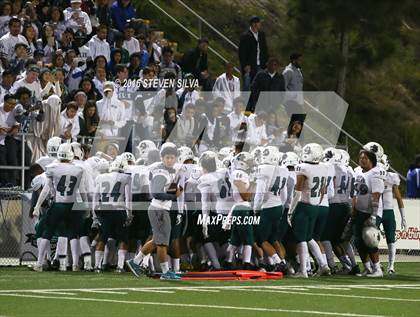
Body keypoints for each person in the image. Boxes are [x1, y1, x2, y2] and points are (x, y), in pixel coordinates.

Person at [126, 142, 183, 280]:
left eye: (172, 157)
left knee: (157, 240)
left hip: (161, 209)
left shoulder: (167, 171)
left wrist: (176, 186)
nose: (170, 160)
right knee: (162, 242)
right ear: (162, 158)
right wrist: (173, 196)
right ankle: (165, 272)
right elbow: (155, 193)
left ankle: (135, 262)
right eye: (167, 157)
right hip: (159, 209)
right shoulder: (161, 171)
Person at [32, 143, 87, 272]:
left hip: (58, 204)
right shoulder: (79, 169)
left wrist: (37, 206)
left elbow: (46, 190)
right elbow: (82, 190)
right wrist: (86, 206)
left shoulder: (52, 168)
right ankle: (74, 264)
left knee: (48, 232)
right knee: (73, 233)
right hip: (72, 205)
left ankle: (40, 263)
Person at [93, 156, 132, 273]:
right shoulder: (126, 177)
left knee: (102, 238)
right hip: (119, 210)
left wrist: (94, 214)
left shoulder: (100, 177)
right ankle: (120, 266)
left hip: (104, 210)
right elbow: (128, 198)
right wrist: (130, 214)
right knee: (122, 239)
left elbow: (95, 197)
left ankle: (97, 266)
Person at [353, 149, 386, 277]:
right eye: (360, 158)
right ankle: (367, 268)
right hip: (360, 211)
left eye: (365, 158)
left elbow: (376, 196)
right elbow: (356, 193)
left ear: (371, 161)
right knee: (357, 241)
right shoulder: (357, 172)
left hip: (372, 211)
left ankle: (377, 269)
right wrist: (354, 210)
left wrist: (373, 216)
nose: (362, 160)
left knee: (369, 238)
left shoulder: (375, 174)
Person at [238, 16, 268, 91]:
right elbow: (242, 53)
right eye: (259, 23)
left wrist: (266, 63)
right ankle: (246, 102)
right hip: (250, 66)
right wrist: (245, 65)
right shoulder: (245, 36)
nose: (260, 24)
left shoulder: (261, 35)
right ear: (254, 24)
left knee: (259, 87)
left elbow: (264, 50)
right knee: (248, 87)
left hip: (261, 66)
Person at [0, 94, 19, 186]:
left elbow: (17, 124)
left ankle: (12, 185)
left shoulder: (15, 111)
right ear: (4, 102)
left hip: (9, 138)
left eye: (14, 104)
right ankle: (4, 185)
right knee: (2, 162)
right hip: (0, 140)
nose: (12, 106)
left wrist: (16, 128)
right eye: (10, 103)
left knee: (13, 161)